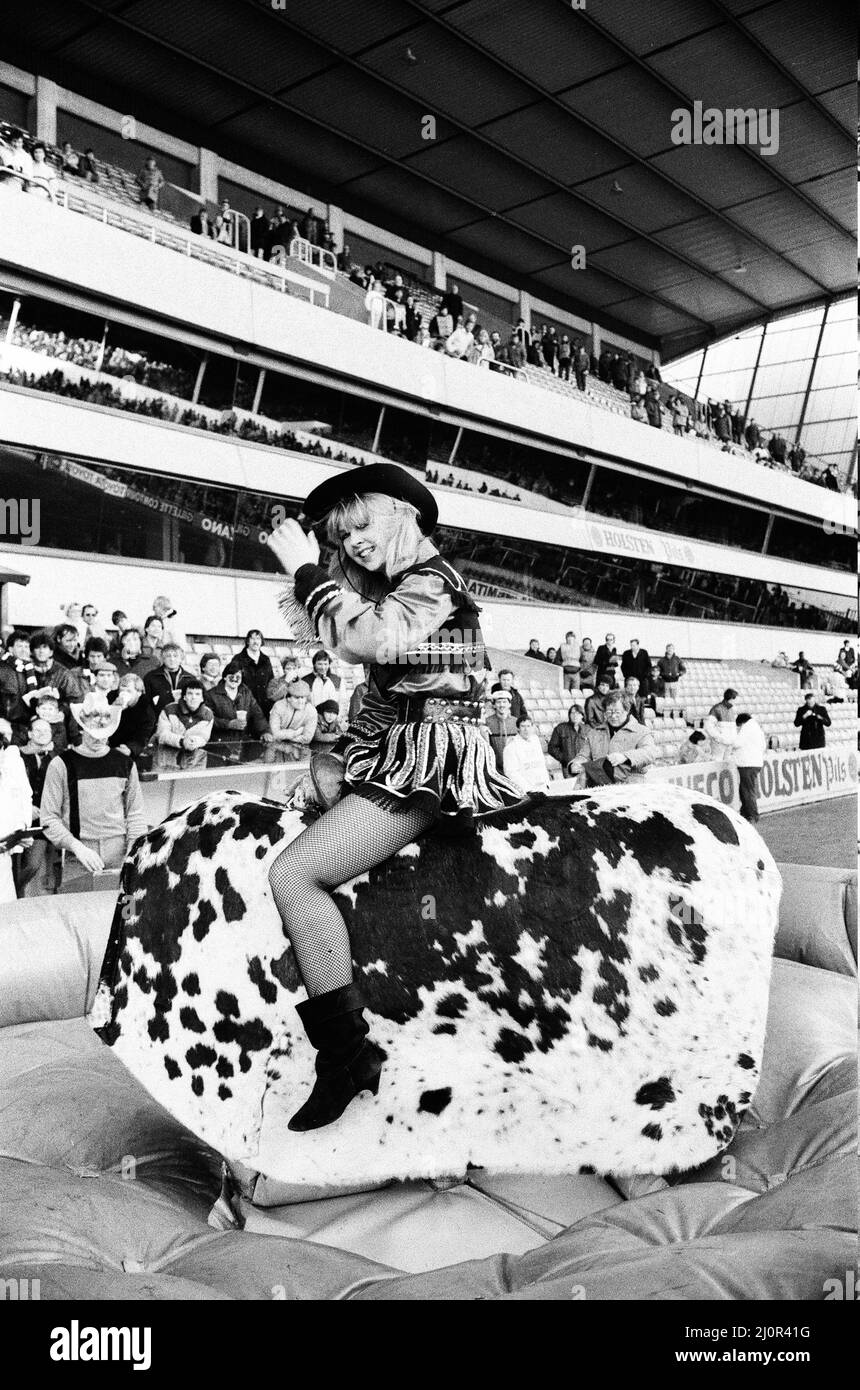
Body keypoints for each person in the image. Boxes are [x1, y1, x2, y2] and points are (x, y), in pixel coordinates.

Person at [263, 463, 524, 1131]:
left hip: (425, 760)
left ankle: (346, 1056)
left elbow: (365, 639)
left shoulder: (433, 583)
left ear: (405, 515)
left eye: (360, 525)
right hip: (399, 748)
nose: (349, 543)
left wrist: (304, 572)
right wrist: (305, 576)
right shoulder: (412, 586)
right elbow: (339, 642)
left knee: (293, 874)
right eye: (338, 537)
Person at [40, 691, 148, 887]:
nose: (99, 740)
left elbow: (136, 814)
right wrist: (76, 847)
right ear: (81, 729)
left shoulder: (125, 763)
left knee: (126, 912)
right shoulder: (61, 764)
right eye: (93, 734)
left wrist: (133, 853)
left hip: (121, 853)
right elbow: (48, 818)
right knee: (78, 915)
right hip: (78, 856)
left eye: (105, 735)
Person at [577, 691, 656, 786]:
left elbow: (649, 753)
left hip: (632, 787)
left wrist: (625, 757)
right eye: (609, 712)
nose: (613, 716)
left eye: (617, 712)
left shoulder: (642, 731)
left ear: (627, 711)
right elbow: (584, 755)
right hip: (601, 786)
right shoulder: (594, 733)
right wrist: (577, 763)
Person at [0, 718, 32, 903]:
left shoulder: (8, 772)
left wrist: (20, 832)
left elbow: (19, 802)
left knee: (7, 914)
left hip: (3, 860)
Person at [204, 662, 272, 744]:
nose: (234, 679)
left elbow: (257, 715)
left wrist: (265, 731)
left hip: (242, 742)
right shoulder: (211, 695)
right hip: (219, 742)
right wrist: (228, 724)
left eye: (238, 677)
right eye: (231, 676)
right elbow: (206, 718)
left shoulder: (246, 694)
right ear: (225, 677)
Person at [156, 678, 214, 754]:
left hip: (194, 755)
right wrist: (181, 741)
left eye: (197, 694)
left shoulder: (208, 714)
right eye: (190, 693)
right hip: (167, 753)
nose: (193, 697)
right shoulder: (169, 710)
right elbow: (162, 734)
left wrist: (195, 741)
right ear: (184, 696)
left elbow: (204, 737)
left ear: (202, 698)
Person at [108, 674, 157, 761]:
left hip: (128, 748)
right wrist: (113, 709)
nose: (124, 694)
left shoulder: (146, 711)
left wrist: (130, 749)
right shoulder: (111, 697)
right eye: (122, 690)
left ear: (139, 692)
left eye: (129, 691)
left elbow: (142, 737)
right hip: (108, 744)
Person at [730, 713, 766, 823]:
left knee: (747, 790)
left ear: (741, 723)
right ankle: (746, 813)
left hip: (747, 763)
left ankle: (752, 815)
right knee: (747, 789)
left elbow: (737, 743)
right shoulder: (757, 729)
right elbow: (764, 746)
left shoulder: (746, 728)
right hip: (755, 762)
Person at [268, 677, 318, 753]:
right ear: (288, 698)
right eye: (296, 697)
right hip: (275, 747)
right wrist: (296, 733)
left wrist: (284, 736)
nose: (301, 701)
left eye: (303, 697)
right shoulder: (278, 706)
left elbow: (307, 738)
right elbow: (274, 733)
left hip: (298, 750)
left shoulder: (311, 711)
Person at [232, 630, 276, 715]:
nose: (255, 642)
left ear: (261, 641)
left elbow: (271, 681)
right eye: (252, 638)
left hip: (264, 706)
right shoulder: (238, 659)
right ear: (248, 641)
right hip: (245, 705)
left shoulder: (266, 659)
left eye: (258, 639)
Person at [502, 717, 550, 793]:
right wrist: (528, 789)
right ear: (518, 728)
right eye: (523, 726)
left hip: (542, 788)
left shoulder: (535, 741)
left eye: (528, 726)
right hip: (526, 792)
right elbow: (511, 772)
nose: (526, 729)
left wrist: (547, 783)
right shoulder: (511, 747)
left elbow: (542, 765)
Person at [143, 643, 193, 713]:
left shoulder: (190, 679)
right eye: (168, 656)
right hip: (158, 719)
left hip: (183, 720)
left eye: (175, 656)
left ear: (181, 659)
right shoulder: (151, 677)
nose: (172, 659)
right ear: (163, 658)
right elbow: (146, 703)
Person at [547, 703, 589, 779]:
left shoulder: (587, 729)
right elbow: (551, 747)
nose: (575, 715)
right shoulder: (561, 728)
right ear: (569, 715)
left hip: (584, 766)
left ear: (582, 716)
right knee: (573, 787)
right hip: (568, 767)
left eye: (578, 713)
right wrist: (564, 759)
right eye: (572, 713)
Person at [484, 689, 519, 772]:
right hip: (495, 767)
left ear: (509, 704)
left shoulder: (516, 722)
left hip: (514, 766)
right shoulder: (487, 722)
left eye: (504, 702)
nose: (501, 705)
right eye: (498, 702)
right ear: (494, 705)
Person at [704, 688, 739, 762]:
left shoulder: (732, 710)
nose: (737, 701)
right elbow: (708, 727)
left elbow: (733, 728)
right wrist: (719, 738)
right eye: (736, 699)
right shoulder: (716, 708)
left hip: (729, 744)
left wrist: (733, 739)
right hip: (719, 744)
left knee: (726, 766)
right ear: (731, 698)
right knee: (716, 763)